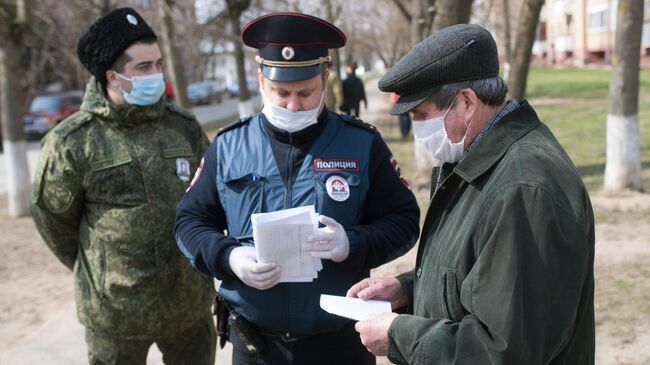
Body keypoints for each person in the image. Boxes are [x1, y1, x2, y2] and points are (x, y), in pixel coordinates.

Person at [174, 12, 420, 365]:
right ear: (261, 81)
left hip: (338, 342)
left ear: (325, 78)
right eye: (281, 92)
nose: (292, 104)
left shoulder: (360, 143)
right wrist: (229, 257)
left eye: (305, 92)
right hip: (256, 344)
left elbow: (404, 221)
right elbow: (189, 222)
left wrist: (352, 244)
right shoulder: (228, 146)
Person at [348, 24, 595, 364]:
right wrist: (408, 290)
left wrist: (398, 335)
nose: (418, 128)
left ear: (465, 101)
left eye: (422, 115)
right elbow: (481, 280)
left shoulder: (522, 188)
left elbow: (505, 350)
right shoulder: (476, 160)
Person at [30, 8, 215, 365]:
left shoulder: (184, 127)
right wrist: (100, 268)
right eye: (143, 68)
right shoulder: (72, 142)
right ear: (112, 76)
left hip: (188, 304)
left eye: (158, 64)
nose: (156, 75)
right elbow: (53, 219)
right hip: (115, 313)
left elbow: (207, 198)